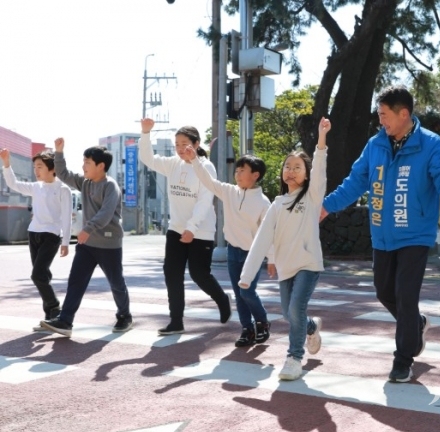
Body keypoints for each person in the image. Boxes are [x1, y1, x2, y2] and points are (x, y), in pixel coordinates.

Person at [321, 86, 440, 383]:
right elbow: (355, 182)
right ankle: (415, 324)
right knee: (384, 292)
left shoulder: (431, 145)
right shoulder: (375, 145)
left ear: (403, 114)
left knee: (405, 295)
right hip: (382, 234)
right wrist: (326, 207)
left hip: (415, 234)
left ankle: (404, 357)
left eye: (384, 115)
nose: (381, 121)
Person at [239, 117, 331, 381]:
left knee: (295, 310)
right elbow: (261, 240)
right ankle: (311, 327)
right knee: (288, 312)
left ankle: (294, 358)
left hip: (308, 264)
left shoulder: (312, 197)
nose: (291, 170)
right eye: (287, 166)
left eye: (297, 167)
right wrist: (247, 277)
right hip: (286, 267)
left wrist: (321, 138)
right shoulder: (276, 205)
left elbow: (321, 168)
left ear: (306, 174)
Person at [138, 118, 231, 335]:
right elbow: (147, 158)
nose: (180, 149)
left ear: (197, 144)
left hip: (201, 230)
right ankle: (176, 321)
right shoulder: (173, 164)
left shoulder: (206, 167)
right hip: (176, 229)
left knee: (199, 274)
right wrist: (145, 133)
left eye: (184, 144)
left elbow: (205, 199)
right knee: (172, 273)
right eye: (177, 144)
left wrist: (192, 228)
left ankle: (221, 298)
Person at [40, 139, 134, 337]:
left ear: (101, 166)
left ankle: (124, 316)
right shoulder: (85, 183)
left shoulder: (111, 186)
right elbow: (64, 174)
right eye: (83, 162)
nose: (83, 166)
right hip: (87, 244)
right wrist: (59, 152)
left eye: (87, 163)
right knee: (76, 281)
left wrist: (88, 228)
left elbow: (107, 213)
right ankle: (65, 321)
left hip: (109, 244)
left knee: (116, 283)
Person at [183, 147, 274, 347]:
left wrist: (272, 259)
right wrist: (195, 161)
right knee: (239, 293)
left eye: (243, 170)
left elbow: (268, 234)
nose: (237, 173)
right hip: (233, 251)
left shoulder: (263, 202)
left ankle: (262, 322)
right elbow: (209, 182)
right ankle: (247, 330)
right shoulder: (230, 191)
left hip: (253, 254)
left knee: (247, 292)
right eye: (237, 170)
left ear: (255, 175)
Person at [0, 148, 71, 330]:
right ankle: (49, 318)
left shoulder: (63, 189)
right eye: (34, 167)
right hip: (34, 234)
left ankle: (54, 307)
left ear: (52, 168)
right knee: (43, 275)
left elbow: (66, 217)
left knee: (37, 275)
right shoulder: (35, 187)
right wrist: (7, 163)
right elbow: (13, 184)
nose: (36, 170)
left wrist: (65, 242)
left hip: (51, 236)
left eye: (39, 167)